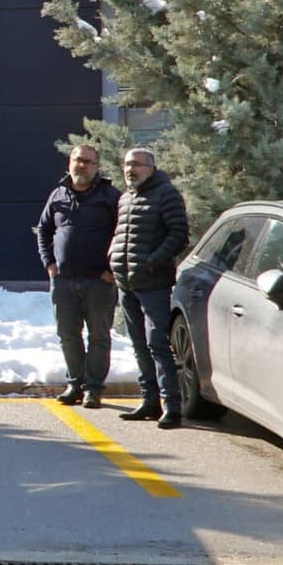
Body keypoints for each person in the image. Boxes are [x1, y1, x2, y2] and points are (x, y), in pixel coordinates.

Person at [108, 147, 190, 429]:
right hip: (127, 282)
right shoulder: (125, 198)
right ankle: (149, 401)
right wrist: (113, 257)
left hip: (153, 283)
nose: (131, 170)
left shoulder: (166, 194)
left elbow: (179, 235)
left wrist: (152, 262)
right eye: (127, 165)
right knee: (139, 344)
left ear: (151, 168)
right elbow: (122, 233)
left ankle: (172, 406)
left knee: (158, 344)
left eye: (138, 165)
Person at [34, 145, 121, 408]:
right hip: (64, 281)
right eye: (77, 160)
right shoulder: (58, 194)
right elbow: (44, 230)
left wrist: (113, 270)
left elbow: (124, 235)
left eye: (88, 161)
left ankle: (93, 389)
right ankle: (75, 383)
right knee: (68, 334)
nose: (81, 165)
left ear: (97, 166)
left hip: (99, 282)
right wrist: (49, 263)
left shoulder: (110, 196)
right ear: (69, 162)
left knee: (98, 336)